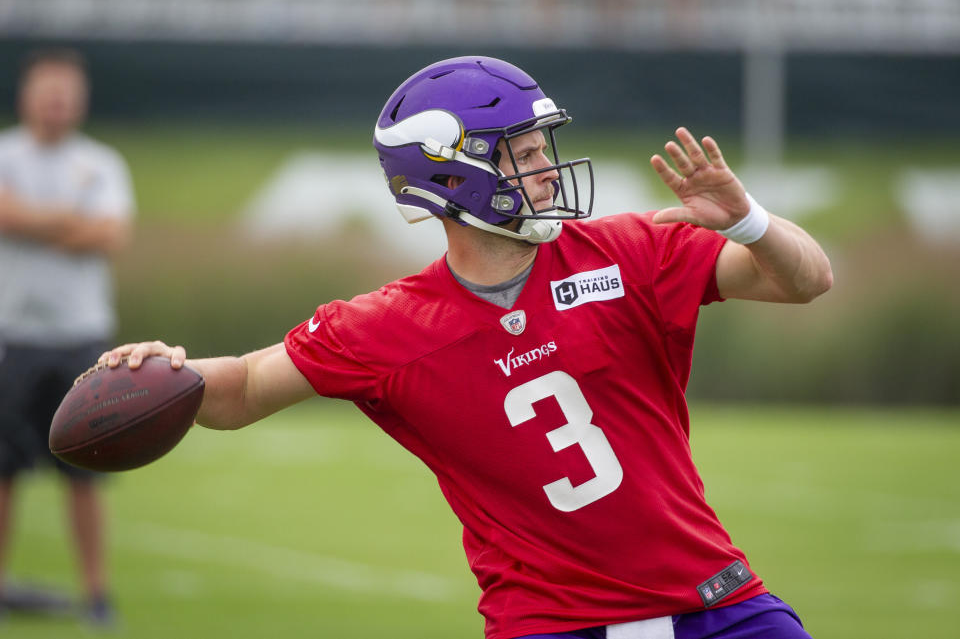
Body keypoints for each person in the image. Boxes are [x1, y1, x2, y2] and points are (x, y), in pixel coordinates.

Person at [101, 57, 832, 639]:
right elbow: (244, 388)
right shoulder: (385, 326)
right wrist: (165, 367)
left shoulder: (626, 252)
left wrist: (750, 222)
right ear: (454, 176)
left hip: (715, 602)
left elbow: (806, 280)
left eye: (545, 146)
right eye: (523, 151)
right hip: (549, 624)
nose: (548, 166)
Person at [0, 48, 134, 624]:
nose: (56, 102)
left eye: (66, 91)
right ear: (26, 95)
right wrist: (67, 219)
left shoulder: (103, 163)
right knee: (4, 471)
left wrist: (35, 220)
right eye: (47, 90)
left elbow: (108, 235)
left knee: (86, 471)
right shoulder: (5, 154)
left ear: (79, 100)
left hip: (83, 337)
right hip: (12, 335)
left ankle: (96, 594)